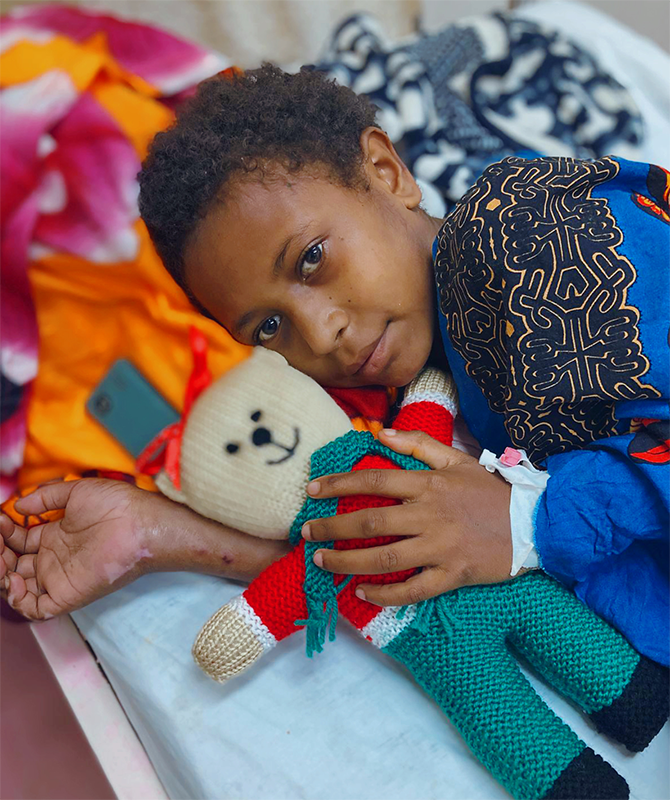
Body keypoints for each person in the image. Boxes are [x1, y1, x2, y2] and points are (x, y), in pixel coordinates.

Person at [1, 65, 667, 665]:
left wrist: (531, 523)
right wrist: (156, 533)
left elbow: (531, 513)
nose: (322, 334)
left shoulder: (519, 235)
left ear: (386, 172)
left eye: (312, 258)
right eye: (269, 326)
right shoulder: (405, 400)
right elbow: (376, 546)